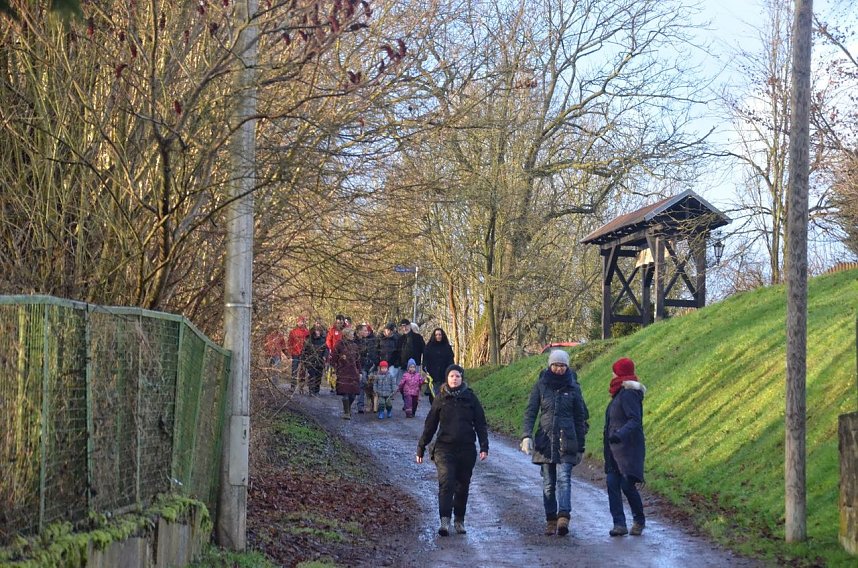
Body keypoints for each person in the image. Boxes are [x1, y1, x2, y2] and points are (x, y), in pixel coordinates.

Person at [520, 349, 588, 536]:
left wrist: (580, 446)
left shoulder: (573, 388)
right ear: (550, 365)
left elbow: (580, 418)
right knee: (549, 484)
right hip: (545, 441)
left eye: (563, 365)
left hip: (567, 441)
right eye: (556, 365)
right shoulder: (540, 386)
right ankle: (550, 519)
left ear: (567, 367)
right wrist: (526, 436)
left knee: (564, 479)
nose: (559, 369)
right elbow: (530, 412)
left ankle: (563, 517)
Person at [416, 364, 489, 536]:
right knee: (446, 482)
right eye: (451, 376)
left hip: (466, 448)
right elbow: (430, 424)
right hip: (444, 448)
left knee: (462, 486)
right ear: (447, 379)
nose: (454, 379)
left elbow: (480, 423)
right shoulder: (441, 398)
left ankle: (459, 520)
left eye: (457, 376)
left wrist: (484, 446)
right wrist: (421, 446)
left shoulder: (470, 398)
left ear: (462, 378)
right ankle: (444, 521)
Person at [604, 357, 647, 537]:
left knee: (627, 485)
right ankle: (619, 524)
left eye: (614, 371)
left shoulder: (628, 393)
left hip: (628, 448)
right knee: (612, 483)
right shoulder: (619, 393)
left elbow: (635, 420)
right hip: (614, 448)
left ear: (620, 373)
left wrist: (619, 434)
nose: (612, 375)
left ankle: (639, 520)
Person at [331, 327, 361, 419]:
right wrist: (334, 370)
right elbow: (333, 359)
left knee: (353, 394)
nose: (353, 335)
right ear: (346, 335)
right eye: (351, 334)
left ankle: (348, 408)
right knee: (345, 393)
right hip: (343, 371)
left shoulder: (355, 346)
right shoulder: (339, 345)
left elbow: (358, 360)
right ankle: (346, 412)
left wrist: (359, 371)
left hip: (353, 372)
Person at [423, 327, 455, 397]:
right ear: (434, 336)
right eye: (436, 335)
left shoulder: (447, 347)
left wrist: (451, 370)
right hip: (432, 376)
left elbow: (450, 360)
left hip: (444, 375)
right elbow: (425, 360)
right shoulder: (429, 347)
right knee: (433, 395)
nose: (438, 336)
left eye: (440, 335)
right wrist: (426, 369)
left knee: (444, 395)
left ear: (442, 335)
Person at [356, 323, 380, 413]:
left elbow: (377, 352)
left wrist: (376, 363)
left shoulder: (374, 340)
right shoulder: (356, 341)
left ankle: (373, 405)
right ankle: (360, 406)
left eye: (367, 330)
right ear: (360, 331)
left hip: (372, 366)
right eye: (365, 330)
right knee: (362, 385)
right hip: (362, 366)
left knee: (373, 386)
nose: (367, 332)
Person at [301, 323, 328, 395]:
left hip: (320, 360)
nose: (318, 332)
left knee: (318, 376)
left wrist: (325, 356)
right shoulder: (309, 339)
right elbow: (304, 350)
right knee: (312, 375)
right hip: (311, 360)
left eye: (319, 331)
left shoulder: (323, 340)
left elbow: (326, 349)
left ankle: (316, 390)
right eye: (316, 331)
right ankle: (311, 390)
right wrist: (304, 360)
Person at [288, 316, 310, 391]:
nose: (300, 323)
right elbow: (290, 343)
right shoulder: (293, 332)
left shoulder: (307, 332)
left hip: (304, 353)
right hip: (295, 353)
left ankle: (301, 386)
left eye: (302, 322)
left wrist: (307, 352)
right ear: (297, 322)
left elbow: (309, 344)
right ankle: (293, 386)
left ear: (304, 322)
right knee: (294, 370)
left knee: (303, 370)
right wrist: (290, 352)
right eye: (299, 322)